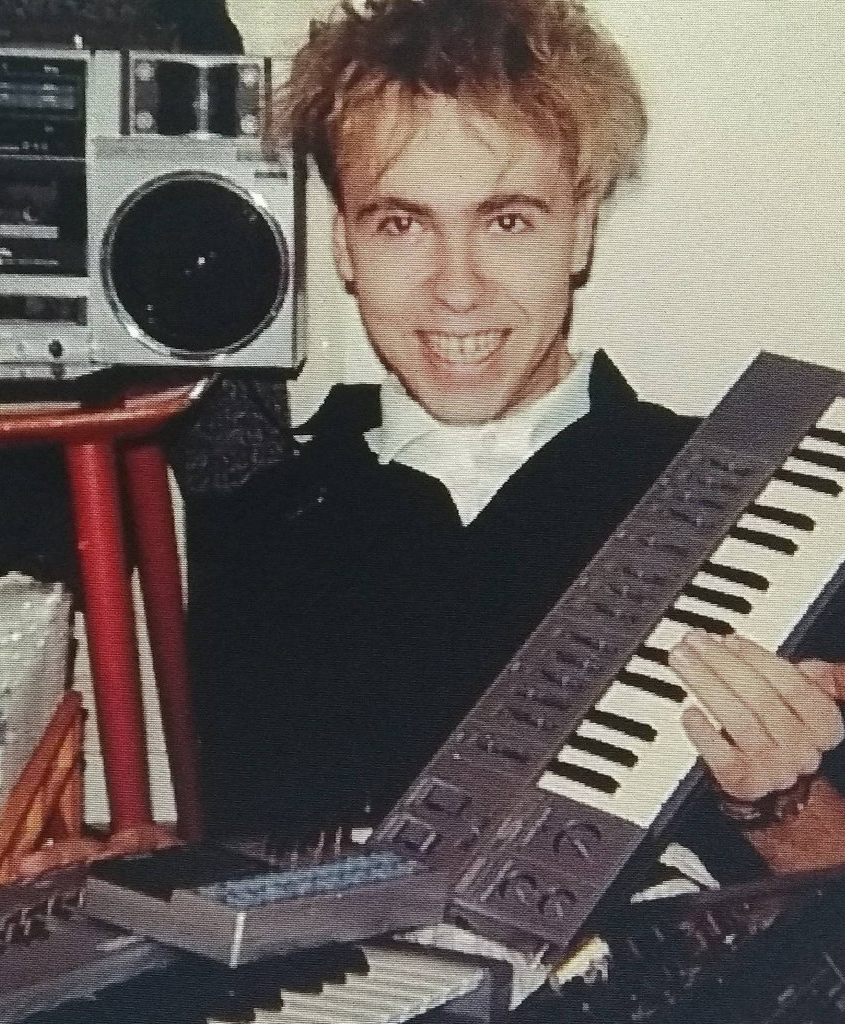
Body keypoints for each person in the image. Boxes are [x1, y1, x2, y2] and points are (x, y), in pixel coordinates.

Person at [186, 0, 845, 878]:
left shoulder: (776, 508)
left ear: (580, 229)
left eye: (507, 221)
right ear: (344, 245)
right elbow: (251, 876)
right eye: (401, 223)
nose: (457, 289)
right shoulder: (258, 530)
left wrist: (779, 805)